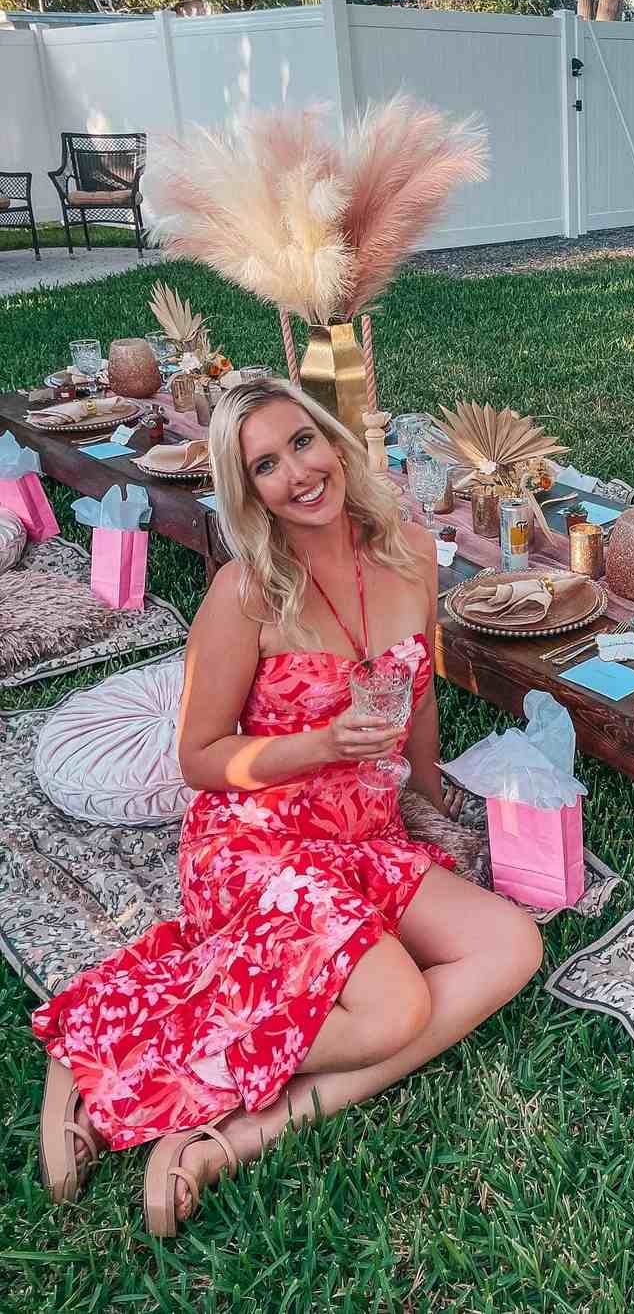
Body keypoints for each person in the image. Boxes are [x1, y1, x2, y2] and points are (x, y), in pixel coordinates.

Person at [35, 378, 543, 1233]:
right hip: (257, 841)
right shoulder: (244, 593)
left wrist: (428, 794)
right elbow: (197, 758)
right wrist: (316, 747)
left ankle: (219, 1138)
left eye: (301, 442)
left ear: (332, 440)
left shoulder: (412, 552)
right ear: (248, 492)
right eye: (264, 465)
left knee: (511, 947)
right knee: (395, 1007)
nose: (298, 473)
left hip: (363, 834)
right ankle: (115, 1058)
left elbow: (416, 696)